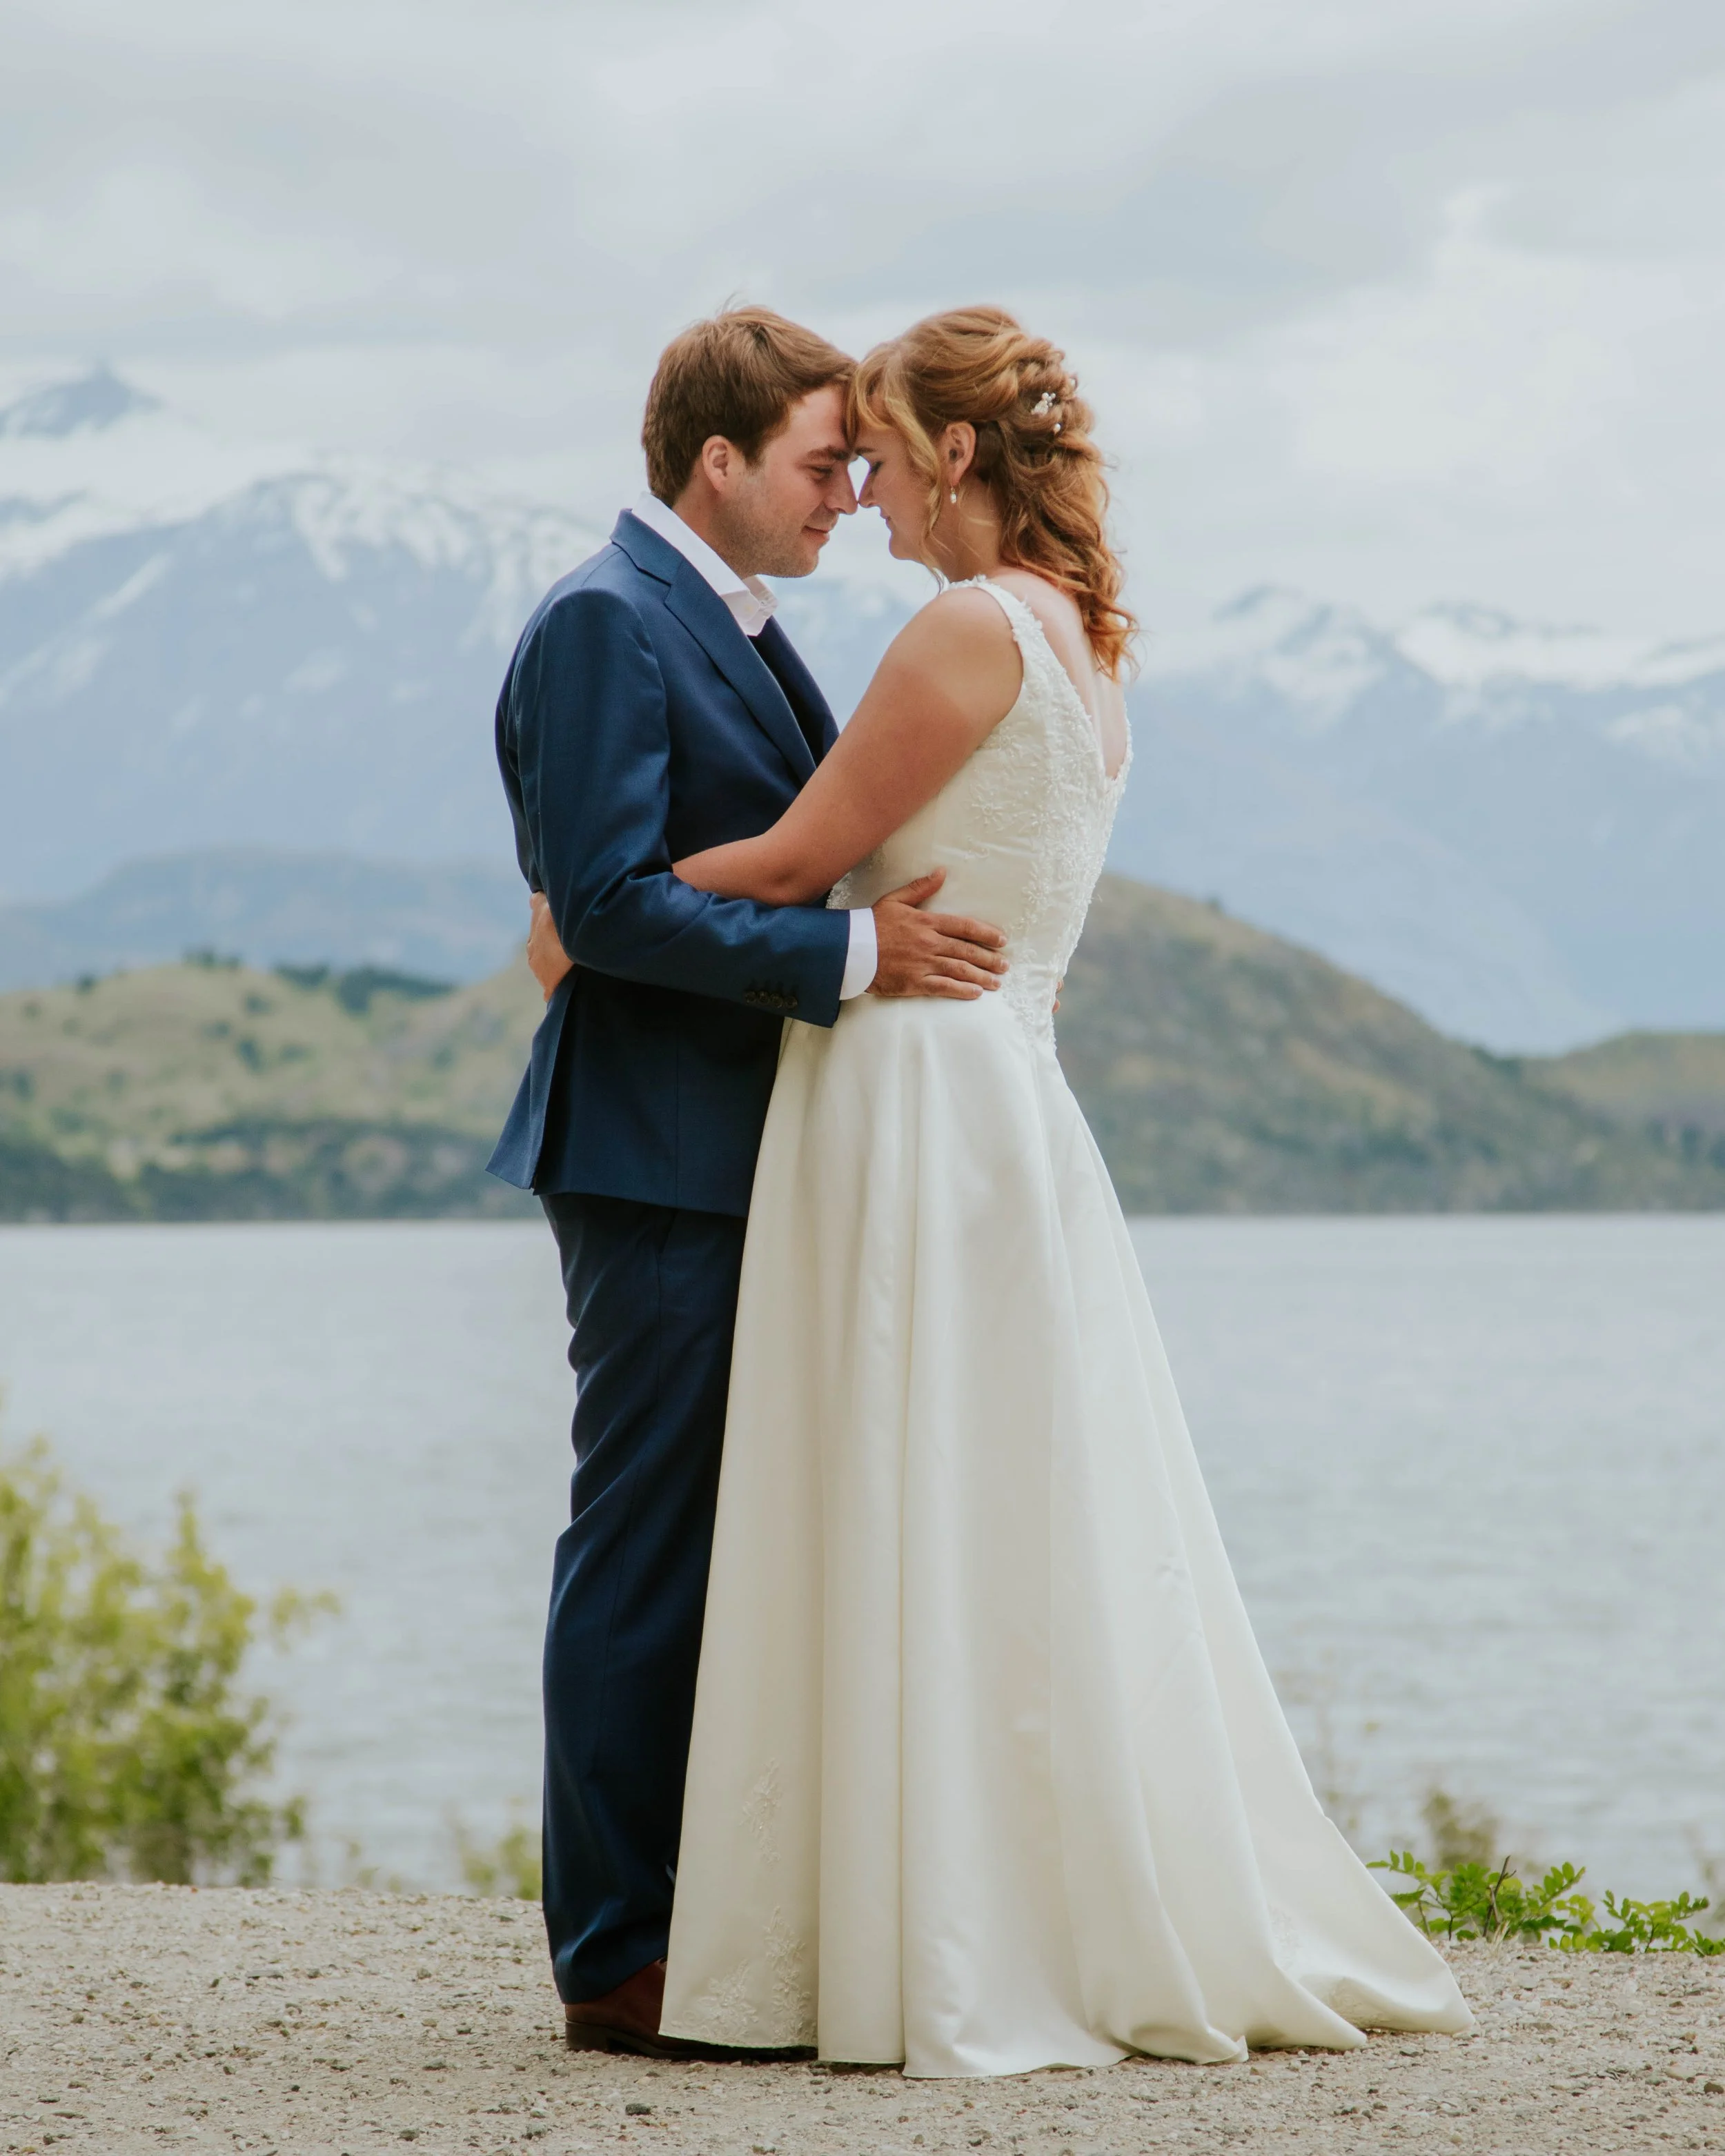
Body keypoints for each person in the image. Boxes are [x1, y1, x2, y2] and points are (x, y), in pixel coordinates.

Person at [640, 305, 1475, 2075]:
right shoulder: (1092, 645)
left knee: (907, 1496)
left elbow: (793, 864)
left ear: (952, 453)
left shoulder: (963, 627)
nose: (858, 495)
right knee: (1002, 1516)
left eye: (875, 450)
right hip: (1011, 1087)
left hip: (915, 1091)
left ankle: (927, 1926)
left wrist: (579, 909)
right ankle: (975, 1894)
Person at [489, 306, 1009, 2055]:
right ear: (714, 461)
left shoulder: (728, 622)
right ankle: (613, 1957)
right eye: (818, 461)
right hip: (649, 1147)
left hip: (739, 1147)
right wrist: (855, 955)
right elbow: (602, 908)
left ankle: (711, 1924)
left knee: (732, 1547)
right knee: (642, 1546)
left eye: (861, 463)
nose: (850, 495)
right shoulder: (597, 622)